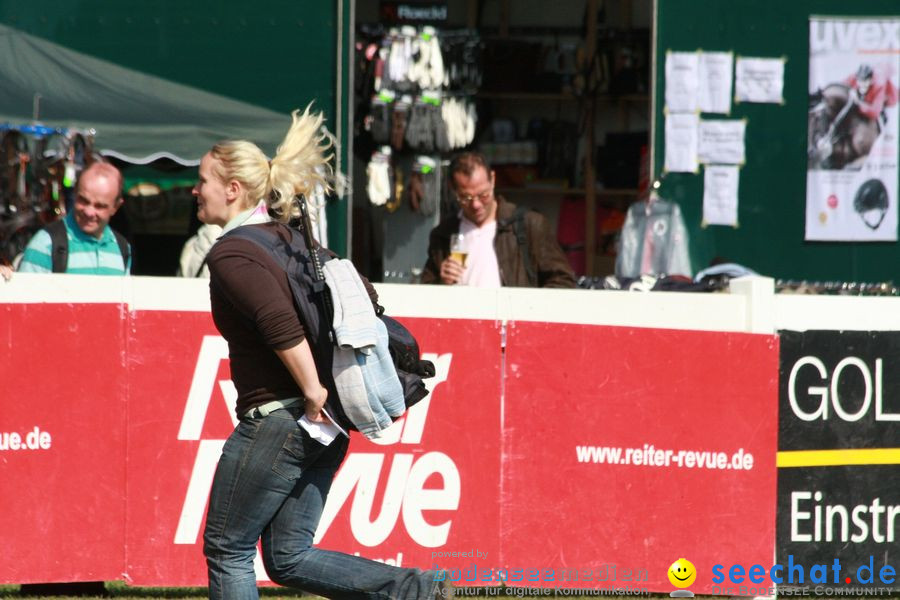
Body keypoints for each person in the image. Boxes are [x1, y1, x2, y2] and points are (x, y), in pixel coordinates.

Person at [197, 106, 447, 600]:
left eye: (202, 179)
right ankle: (416, 591)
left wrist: (312, 390)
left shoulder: (232, 251)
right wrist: (321, 400)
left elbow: (278, 323)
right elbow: (366, 301)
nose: (194, 189)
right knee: (289, 557)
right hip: (327, 425)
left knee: (228, 549)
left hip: (284, 418)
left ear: (232, 189)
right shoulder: (292, 241)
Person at [420, 152, 576, 288]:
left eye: (483, 195)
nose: (476, 204)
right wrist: (441, 282)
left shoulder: (528, 224)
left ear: (493, 180)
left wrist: (527, 311)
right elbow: (425, 294)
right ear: (453, 190)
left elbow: (563, 281)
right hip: (463, 320)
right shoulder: (443, 234)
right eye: (465, 198)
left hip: (513, 321)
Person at [15, 162, 131, 274]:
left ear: (116, 207)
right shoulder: (45, 243)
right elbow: (25, 293)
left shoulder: (122, 248)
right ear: (75, 193)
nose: (89, 212)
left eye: (99, 206)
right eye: (83, 200)